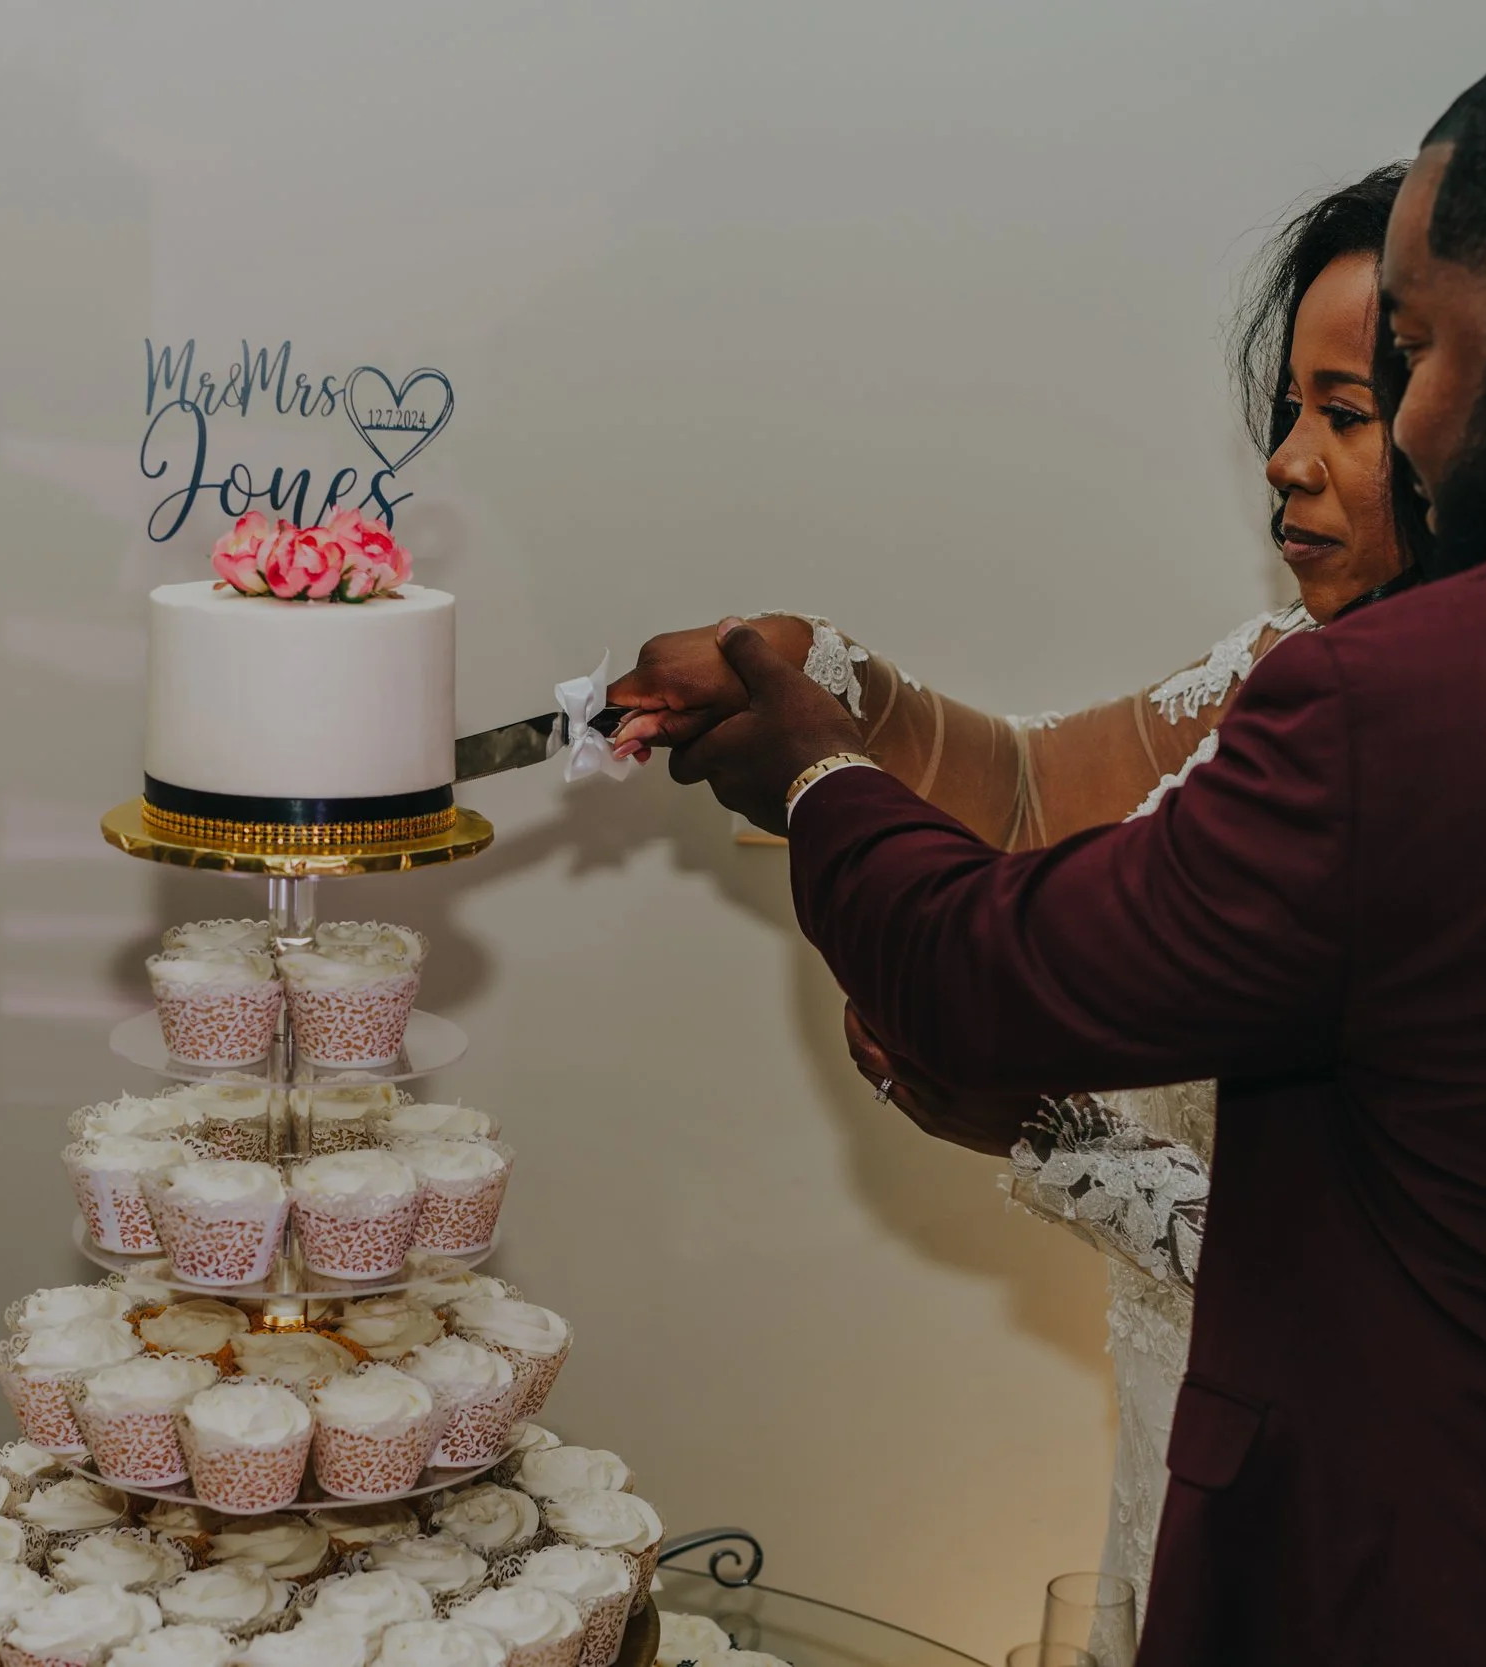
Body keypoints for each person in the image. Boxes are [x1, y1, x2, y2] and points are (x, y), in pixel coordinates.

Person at [632, 20, 1486, 1663]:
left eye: (1413, 358)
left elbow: (986, 980)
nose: (1406, 434)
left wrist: (816, 776)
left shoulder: (1415, 703)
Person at [608, 166, 1424, 1602]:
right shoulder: (1277, 668)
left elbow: (1396, 1278)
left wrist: (1065, 1144)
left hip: (1367, 1497)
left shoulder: (1457, 751)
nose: (1288, 459)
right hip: (1188, 1436)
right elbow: (1042, 788)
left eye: (1345, 416)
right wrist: (820, 674)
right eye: (1288, 407)